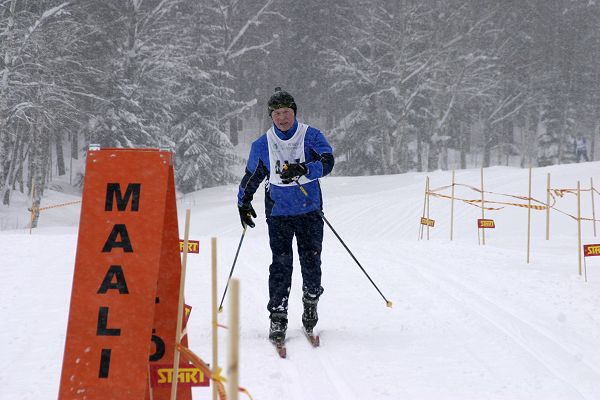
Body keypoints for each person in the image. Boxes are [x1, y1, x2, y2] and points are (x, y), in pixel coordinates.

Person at [237, 87, 334, 344]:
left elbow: (328, 162)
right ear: (271, 116)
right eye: (277, 113)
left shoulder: (310, 136)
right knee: (281, 265)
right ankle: (278, 318)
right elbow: (251, 177)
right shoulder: (262, 144)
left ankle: (310, 301)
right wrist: (243, 203)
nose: (282, 118)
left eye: (286, 112)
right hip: (279, 214)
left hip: (309, 211)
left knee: (311, 261)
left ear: (294, 113)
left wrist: (305, 168)